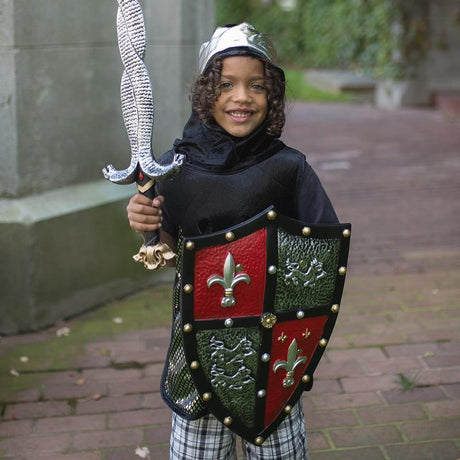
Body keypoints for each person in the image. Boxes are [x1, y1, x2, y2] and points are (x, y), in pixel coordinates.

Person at [127, 23, 338, 460]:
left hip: (271, 361)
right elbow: (165, 251)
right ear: (205, 93)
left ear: (272, 95)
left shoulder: (289, 168)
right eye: (225, 85)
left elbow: (322, 256)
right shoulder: (172, 169)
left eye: (256, 86)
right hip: (197, 355)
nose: (241, 97)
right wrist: (146, 226)